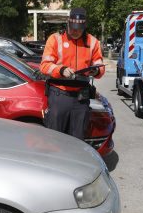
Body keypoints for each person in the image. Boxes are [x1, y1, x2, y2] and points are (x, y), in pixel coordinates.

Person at [39, 7, 105, 139]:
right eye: (73, 28)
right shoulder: (55, 39)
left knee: (78, 138)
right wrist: (61, 70)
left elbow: (100, 65)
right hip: (59, 94)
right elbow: (45, 66)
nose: (75, 32)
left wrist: (96, 70)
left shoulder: (92, 42)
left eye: (79, 30)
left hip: (81, 97)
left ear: (84, 27)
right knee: (55, 137)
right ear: (68, 23)